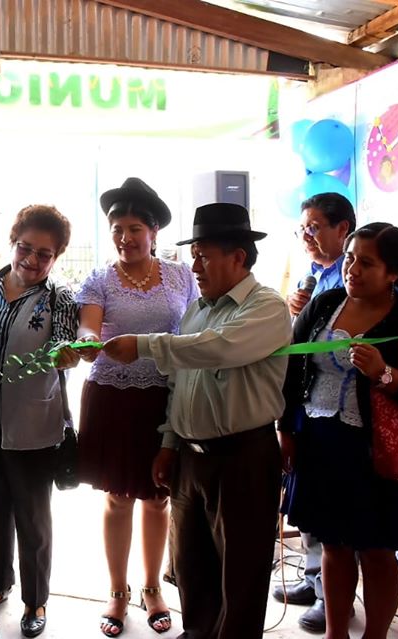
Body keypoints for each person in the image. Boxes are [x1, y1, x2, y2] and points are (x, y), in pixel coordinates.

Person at [101, 202, 291, 639]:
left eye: (204, 254)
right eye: (194, 253)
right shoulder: (198, 309)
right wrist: (169, 444)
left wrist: (145, 345)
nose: (195, 264)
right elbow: (180, 383)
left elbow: (217, 348)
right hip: (191, 459)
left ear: (238, 256)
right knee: (191, 568)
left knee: (240, 575)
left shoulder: (266, 307)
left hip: (243, 458)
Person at [278, 222, 398, 639]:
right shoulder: (325, 305)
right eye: (351, 258)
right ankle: (336, 634)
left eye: (367, 263)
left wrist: (384, 374)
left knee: (376, 551)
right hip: (319, 446)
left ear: (393, 272)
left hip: (375, 453)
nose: (353, 268)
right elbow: (291, 368)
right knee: (333, 545)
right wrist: (287, 429)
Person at [74, 178, 197, 637]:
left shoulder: (183, 276)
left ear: (153, 233)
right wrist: (88, 343)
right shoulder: (99, 279)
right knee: (118, 496)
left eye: (133, 228)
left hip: (164, 396)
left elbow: (197, 328)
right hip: (113, 395)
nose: (125, 238)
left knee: (158, 494)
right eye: (117, 229)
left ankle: (152, 588)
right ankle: (117, 590)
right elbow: (89, 328)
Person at [0, 205, 79, 638]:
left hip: (33, 427)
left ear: (57, 257)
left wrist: (68, 352)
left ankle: (36, 601)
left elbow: (67, 348)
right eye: (24, 248)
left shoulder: (58, 299)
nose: (31, 260)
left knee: (33, 520)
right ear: (12, 243)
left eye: (43, 254)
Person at [278, 191, 355, 632]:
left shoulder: (350, 277)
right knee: (307, 504)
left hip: (343, 412)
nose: (306, 236)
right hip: (308, 404)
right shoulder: (314, 274)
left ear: (342, 229)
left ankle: (334, 598)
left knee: (335, 518)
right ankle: (312, 578)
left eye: (314, 227)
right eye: (302, 228)